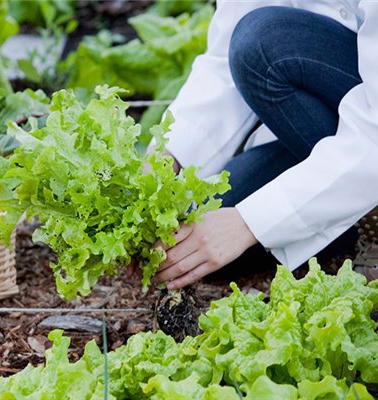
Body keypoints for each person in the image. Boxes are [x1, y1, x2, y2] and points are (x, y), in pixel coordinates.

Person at [148, 1, 378, 290]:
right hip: (332, 117)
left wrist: (247, 224)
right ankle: (349, 221)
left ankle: (364, 214)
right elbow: (223, 60)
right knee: (201, 236)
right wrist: (165, 158)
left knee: (261, 40)